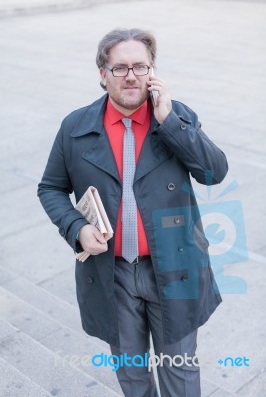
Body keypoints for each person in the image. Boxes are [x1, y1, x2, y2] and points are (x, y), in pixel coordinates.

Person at [38, 28, 228, 397]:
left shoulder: (176, 117)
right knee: (133, 374)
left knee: (180, 371)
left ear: (153, 71)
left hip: (173, 270)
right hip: (112, 273)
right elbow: (50, 188)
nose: (131, 76)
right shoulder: (75, 127)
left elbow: (213, 173)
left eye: (140, 67)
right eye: (120, 67)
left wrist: (170, 122)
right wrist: (76, 227)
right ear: (102, 73)